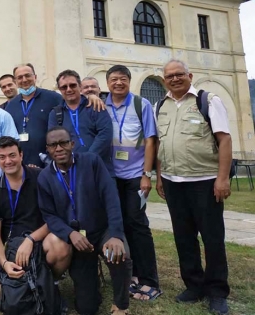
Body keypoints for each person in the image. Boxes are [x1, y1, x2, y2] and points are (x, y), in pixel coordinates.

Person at [155, 59, 232, 315]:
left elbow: (224, 140)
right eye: (169, 76)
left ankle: (217, 291)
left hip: (205, 181)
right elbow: (160, 146)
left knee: (212, 239)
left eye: (179, 74)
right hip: (173, 182)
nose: (175, 79)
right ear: (164, 79)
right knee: (183, 238)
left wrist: (222, 178)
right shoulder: (160, 106)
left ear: (190, 75)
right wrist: (158, 177)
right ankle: (194, 285)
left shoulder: (207, 101)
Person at [38, 127, 132, 315]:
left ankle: (121, 305)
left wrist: (115, 235)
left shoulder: (92, 162)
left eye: (63, 143)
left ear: (72, 144)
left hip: (102, 230)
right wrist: (70, 234)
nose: (59, 148)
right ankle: (92, 280)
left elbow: (111, 198)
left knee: (118, 253)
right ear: (47, 149)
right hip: (78, 239)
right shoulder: (45, 177)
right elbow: (49, 216)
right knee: (86, 308)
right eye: (53, 145)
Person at [0, 136, 72, 310]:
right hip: (9, 249)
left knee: (61, 244)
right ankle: (29, 286)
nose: (8, 161)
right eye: (2, 157)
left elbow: (54, 218)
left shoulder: (41, 177)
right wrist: (5, 263)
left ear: (21, 155)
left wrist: (30, 240)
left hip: (39, 243)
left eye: (12, 155)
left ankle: (50, 282)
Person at [105, 65, 161, 301]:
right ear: (107, 83)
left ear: (129, 81)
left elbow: (150, 141)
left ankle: (149, 280)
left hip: (135, 175)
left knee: (137, 224)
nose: (118, 83)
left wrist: (146, 174)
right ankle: (132, 276)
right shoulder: (100, 104)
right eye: (114, 79)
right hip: (110, 176)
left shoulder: (141, 105)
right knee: (119, 225)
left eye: (123, 79)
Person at [48, 70, 114, 175]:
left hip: (100, 169)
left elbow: (105, 134)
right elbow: (54, 141)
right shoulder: (55, 113)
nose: (69, 89)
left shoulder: (95, 105)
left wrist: (87, 159)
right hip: (71, 171)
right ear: (60, 90)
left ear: (80, 87)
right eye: (64, 87)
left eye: (72, 85)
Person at [4, 64, 64, 167]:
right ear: (15, 81)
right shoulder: (11, 105)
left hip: (49, 161)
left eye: (28, 75)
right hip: (22, 164)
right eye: (20, 77)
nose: (24, 80)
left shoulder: (53, 98)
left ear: (35, 77)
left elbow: (73, 104)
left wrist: (91, 97)